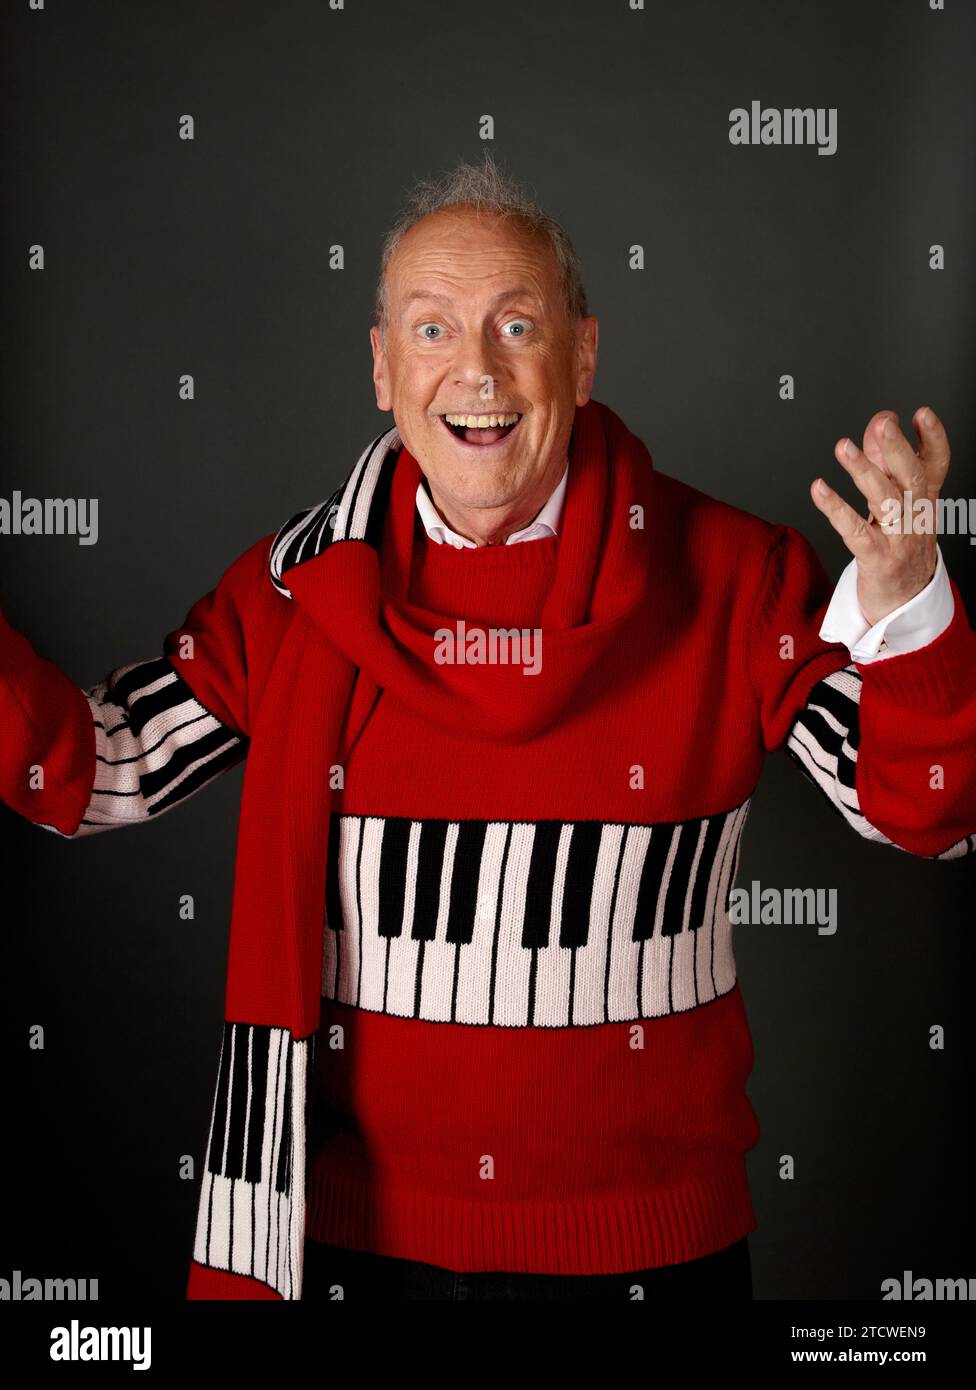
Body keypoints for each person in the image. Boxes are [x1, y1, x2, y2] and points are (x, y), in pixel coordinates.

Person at [2, 156, 973, 1302]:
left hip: (650, 1259)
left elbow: (925, 816)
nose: (476, 370)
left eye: (518, 324)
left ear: (584, 352)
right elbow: (94, 772)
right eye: (431, 330)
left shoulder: (734, 576)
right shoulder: (288, 593)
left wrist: (908, 604)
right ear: (380, 368)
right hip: (352, 1247)